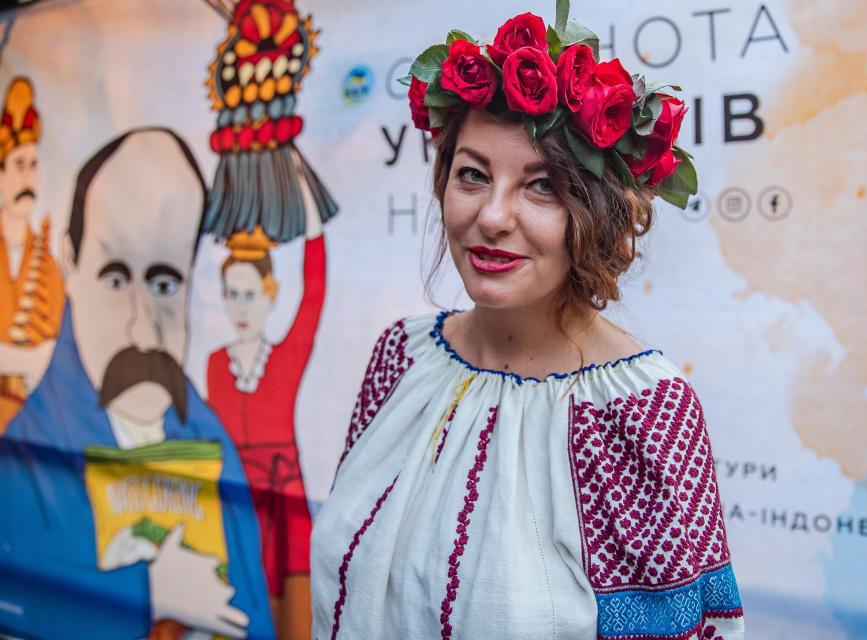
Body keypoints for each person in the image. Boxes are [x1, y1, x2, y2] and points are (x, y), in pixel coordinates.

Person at [311, 4, 744, 640]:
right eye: (472, 175)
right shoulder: (400, 357)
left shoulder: (639, 413)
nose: (492, 216)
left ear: (597, 214)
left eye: (541, 187)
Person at [0, 128, 274, 639]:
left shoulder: (214, 449)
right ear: (71, 265)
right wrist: (146, 593)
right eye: (116, 279)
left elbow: (251, 618)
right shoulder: (28, 456)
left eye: (165, 283)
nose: (143, 328)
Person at [207, 211, 326, 637]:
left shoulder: (286, 357)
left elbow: (314, 294)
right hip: (234, 501)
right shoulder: (215, 364)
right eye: (231, 294)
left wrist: (313, 226)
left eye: (249, 294)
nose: (239, 306)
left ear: (270, 294)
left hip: (283, 499)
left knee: (290, 619)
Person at [0, 77, 64, 434]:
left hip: (27, 429)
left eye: (34, 165)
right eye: (19, 164)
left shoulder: (49, 266)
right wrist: (25, 358)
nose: (29, 178)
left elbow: (52, 357)